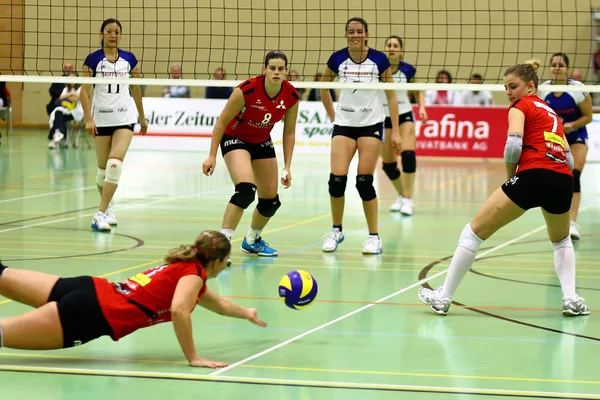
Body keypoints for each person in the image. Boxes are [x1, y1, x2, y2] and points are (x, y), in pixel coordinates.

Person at [418, 59, 590, 317]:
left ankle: (443, 298)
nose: (508, 93)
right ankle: (570, 298)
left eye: (513, 86)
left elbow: (512, 146)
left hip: (532, 174)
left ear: (530, 86)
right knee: (561, 239)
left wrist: (512, 177)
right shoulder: (551, 112)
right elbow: (569, 159)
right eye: (506, 88)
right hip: (562, 179)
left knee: (472, 233)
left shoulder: (519, 106)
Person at [0, 230, 267, 368]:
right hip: (92, 314)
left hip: (88, 288)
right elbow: (179, 311)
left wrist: (246, 312)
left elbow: (217, 303)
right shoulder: (193, 275)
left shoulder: (183, 267)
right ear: (217, 262)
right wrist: (193, 357)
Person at [202, 51, 299, 264]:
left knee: (271, 201)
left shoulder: (291, 96)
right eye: (272, 68)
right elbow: (221, 122)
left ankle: (252, 240)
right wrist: (212, 156)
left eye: (280, 69)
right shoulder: (246, 90)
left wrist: (287, 166)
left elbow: (289, 132)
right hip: (235, 137)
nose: (276, 72)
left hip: (261, 140)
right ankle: (222, 247)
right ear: (264, 70)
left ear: (286, 72)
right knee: (246, 190)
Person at [319, 17, 402, 255]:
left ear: (366, 34)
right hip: (344, 125)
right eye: (351, 32)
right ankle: (336, 230)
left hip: (371, 125)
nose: (355, 35)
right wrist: (333, 115)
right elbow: (323, 86)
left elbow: (392, 96)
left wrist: (395, 130)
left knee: (364, 182)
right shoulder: (337, 59)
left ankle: (374, 236)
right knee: (336, 180)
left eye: (359, 31)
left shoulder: (379, 59)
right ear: (346, 35)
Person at [80, 18, 148, 232]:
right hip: (101, 119)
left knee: (114, 164)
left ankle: (99, 214)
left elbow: (136, 89)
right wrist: (88, 119)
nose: (113, 35)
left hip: (124, 119)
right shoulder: (93, 60)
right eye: (109, 31)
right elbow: (84, 91)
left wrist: (142, 116)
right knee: (102, 171)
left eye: (117, 32)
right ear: (102, 34)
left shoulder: (129, 59)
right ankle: (108, 207)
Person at [537, 53, 592, 241]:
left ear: (566, 68)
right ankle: (558, 223)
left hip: (576, 136)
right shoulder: (542, 89)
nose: (557, 67)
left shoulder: (577, 89)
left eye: (560, 65)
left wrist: (571, 125)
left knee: (574, 175)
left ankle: (573, 223)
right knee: (553, 180)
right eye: (553, 64)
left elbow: (589, 116)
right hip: (555, 139)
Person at [380, 35, 428, 215]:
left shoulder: (408, 70)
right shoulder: (377, 70)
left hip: (404, 116)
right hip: (384, 119)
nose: (392, 48)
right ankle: (401, 195)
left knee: (408, 155)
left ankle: (408, 199)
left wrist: (421, 107)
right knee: (388, 165)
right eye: (389, 45)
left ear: (400, 50)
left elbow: (418, 90)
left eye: (395, 45)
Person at [47, 72, 84, 149]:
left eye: (73, 78)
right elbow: (61, 97)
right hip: (67, 110)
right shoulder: (66, 88)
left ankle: (55, 138)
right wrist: (71, 95)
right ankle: (57, 134)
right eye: (69, 78)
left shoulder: (81, 88)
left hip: (77, 112)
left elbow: (76, 99)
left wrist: (67, 95)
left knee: (59, 118)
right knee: (57, 113)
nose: (71, 80)